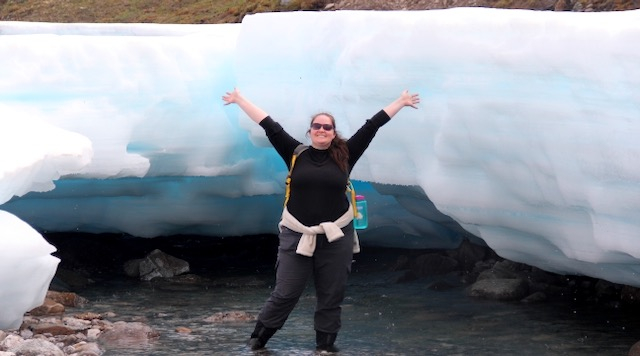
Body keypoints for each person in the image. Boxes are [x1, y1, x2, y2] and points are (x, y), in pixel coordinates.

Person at [222, 88, 420, 353]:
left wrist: (401, 102)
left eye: (327, 127)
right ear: (310, 130)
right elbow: (269, 124)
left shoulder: (346, 154)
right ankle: (257, 341)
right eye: (317, 126)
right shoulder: (295, 153)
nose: (322, 130)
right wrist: (239, 100)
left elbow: (372, 126)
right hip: (296, 233)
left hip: (336, 236)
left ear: (333, 132)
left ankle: (325, 347)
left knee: (331, 295)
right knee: (286, 292)